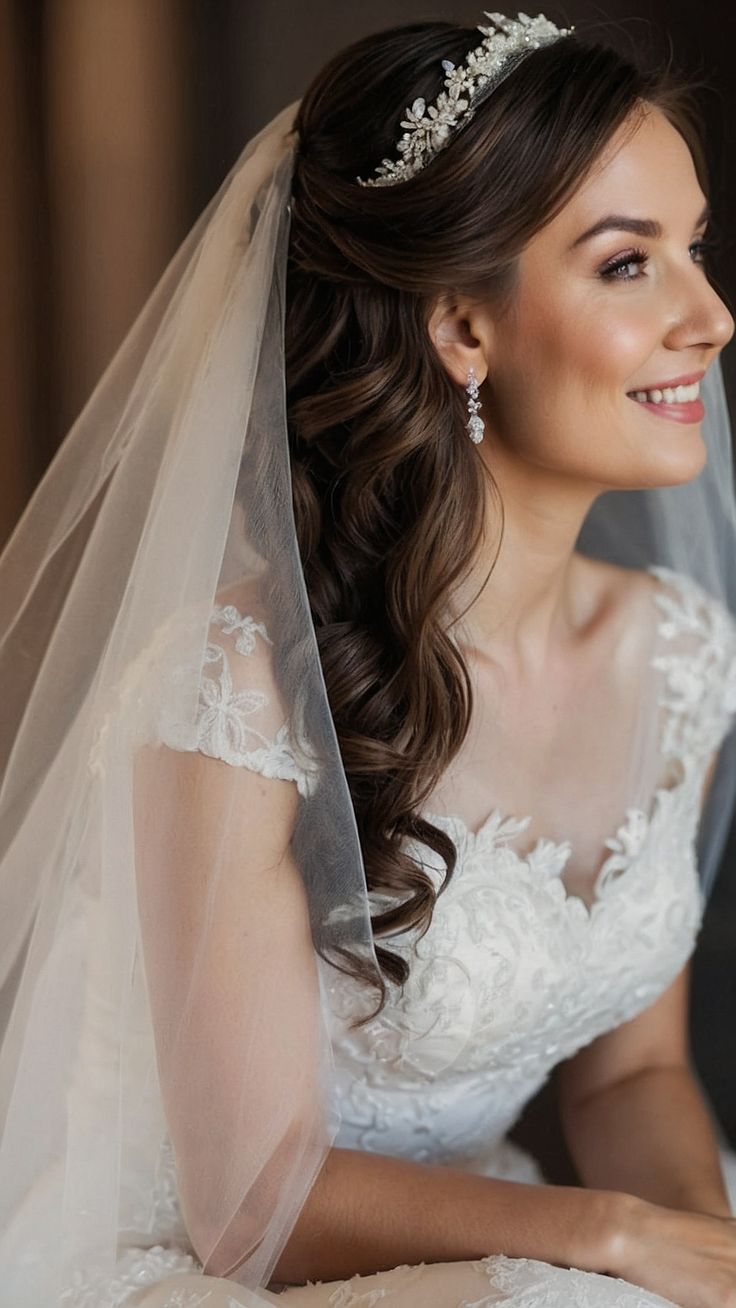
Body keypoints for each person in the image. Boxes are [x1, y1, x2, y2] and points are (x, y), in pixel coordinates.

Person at [1, 11, 736, 1308]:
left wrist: (697, 1247)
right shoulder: (237, 685)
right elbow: (251, 1213)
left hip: (503, 1237)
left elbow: (632, 1078)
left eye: (695, 250)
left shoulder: (676, 651)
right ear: (462, 327)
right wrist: (616, 1241)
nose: (712, 318)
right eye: (629, 267)